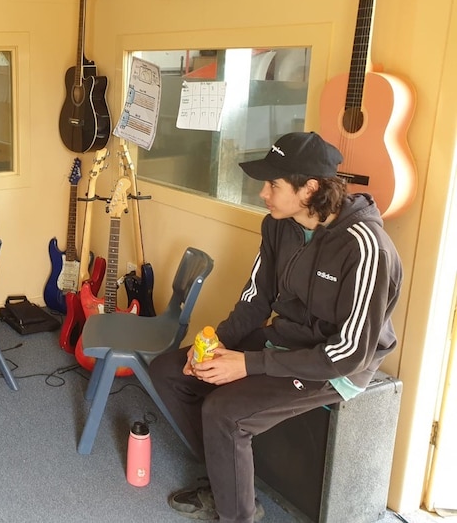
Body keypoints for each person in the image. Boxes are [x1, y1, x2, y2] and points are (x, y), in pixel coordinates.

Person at [149, 131, 402, 522]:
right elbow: (256, 298)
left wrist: (248, 364)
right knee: (169, 371)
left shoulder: (366, 247)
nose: (262, 194)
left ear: (310, 189)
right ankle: (228, 481)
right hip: (286, 338)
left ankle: (238, 513)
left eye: (273, 185)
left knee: (224, 412)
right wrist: (215, 342)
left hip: (334, 363)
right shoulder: (277, 225)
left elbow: (349, 353)